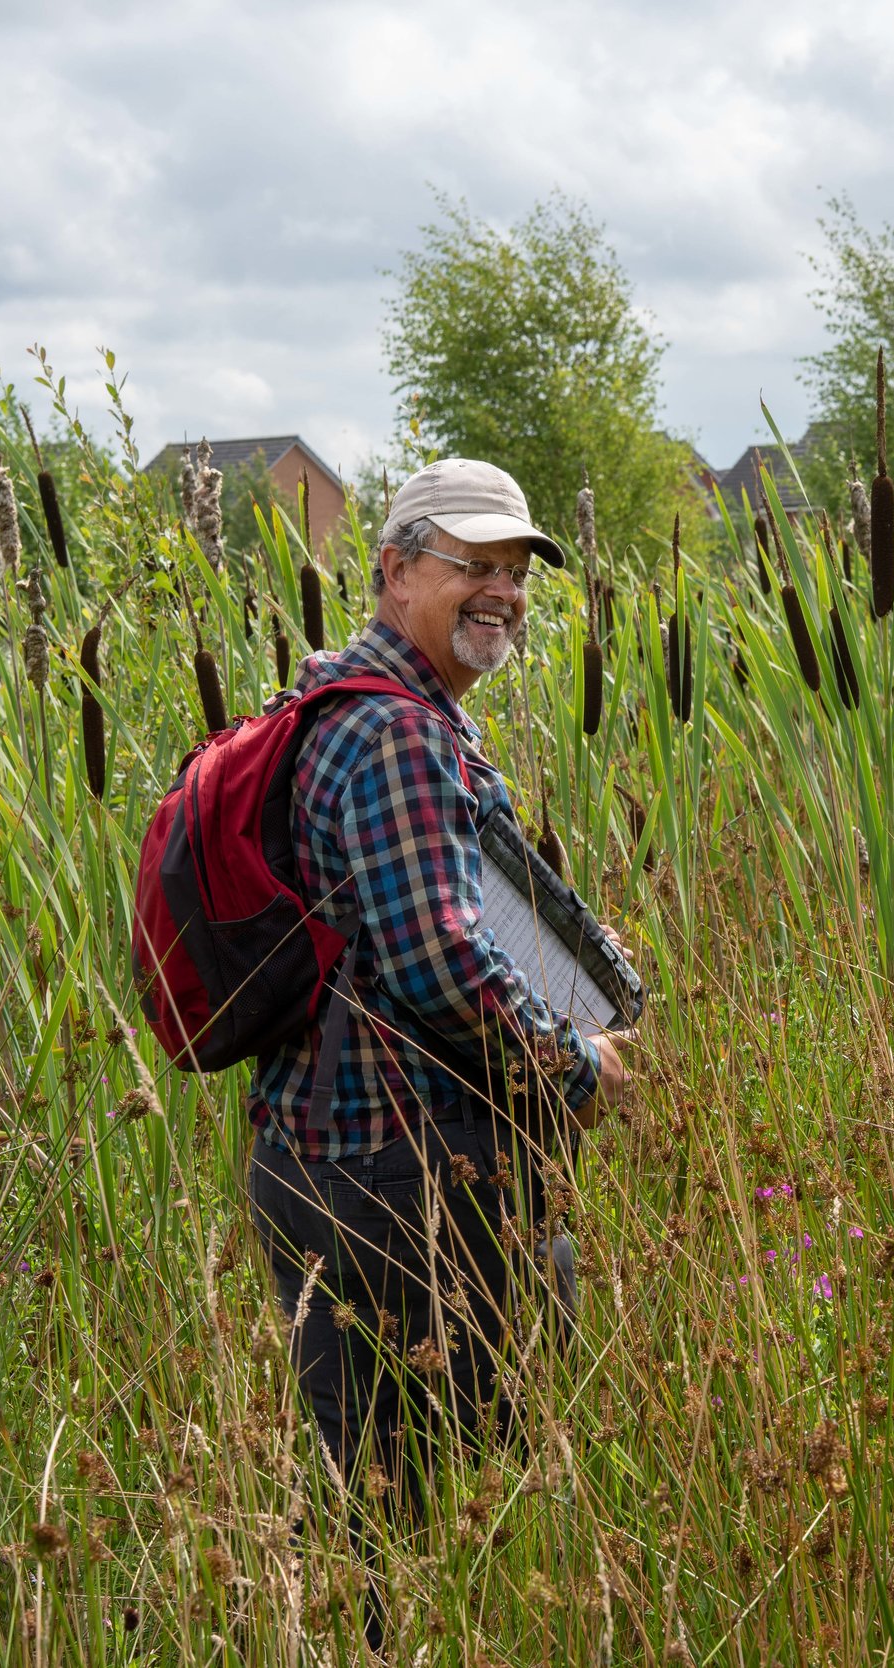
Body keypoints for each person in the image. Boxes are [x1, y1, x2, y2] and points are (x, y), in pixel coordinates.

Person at [243, 457, 633, 1651]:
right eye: (474, 565)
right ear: (396, 569)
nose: (502, 592)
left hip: (330, 1158)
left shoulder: (342, 711)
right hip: (406, 1178)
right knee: (449, 1506)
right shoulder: (398, 737)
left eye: (516, 572)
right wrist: (576, 1067)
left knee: (377, 1498)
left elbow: (444, 920)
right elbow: (438, 964)